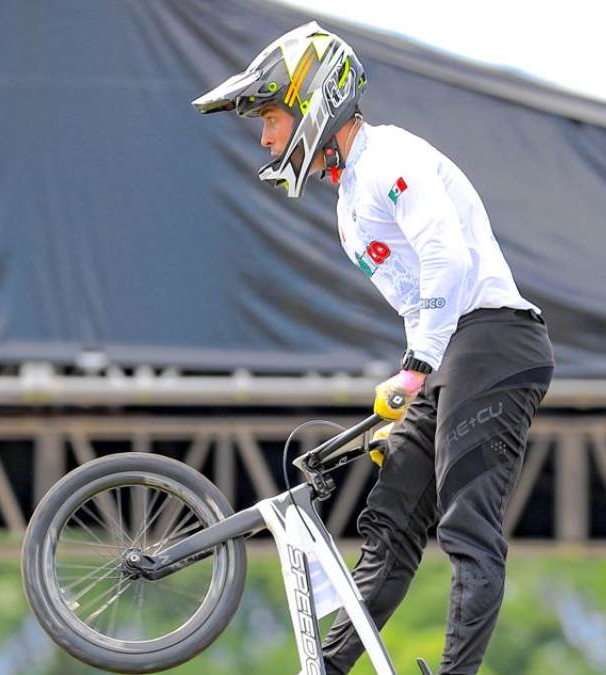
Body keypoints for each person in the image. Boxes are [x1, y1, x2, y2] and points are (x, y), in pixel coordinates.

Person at [193, 22, 555, 675]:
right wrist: (417, 381)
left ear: (312, 103)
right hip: (451, 353)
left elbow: (447, 260)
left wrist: (415, 370)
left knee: (466, 526)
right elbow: (418, 303)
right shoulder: (349, 204)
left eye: (271, 118)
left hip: (494, 341)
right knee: (387, 527)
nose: (266, 138)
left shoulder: (390, 158)